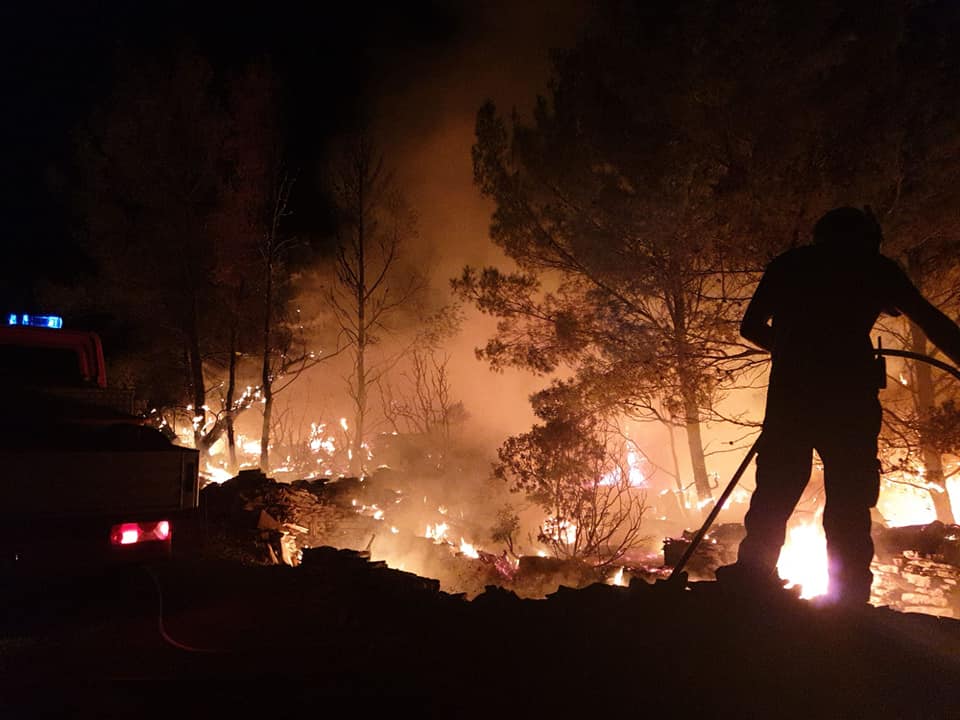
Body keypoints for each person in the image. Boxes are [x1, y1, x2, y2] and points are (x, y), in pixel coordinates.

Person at [717, 206, 960, 606]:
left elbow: (750, 327)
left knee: (775, 492)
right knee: (849, 496)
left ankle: (752, 578)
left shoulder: (789, 265)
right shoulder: (874, 268)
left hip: (791, 396)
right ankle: (847, 597)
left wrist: (793, 351)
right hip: (848, 400)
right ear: (867, 240)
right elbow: (931, 320)